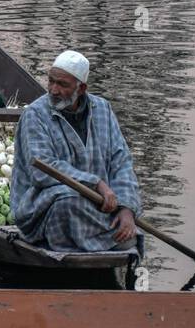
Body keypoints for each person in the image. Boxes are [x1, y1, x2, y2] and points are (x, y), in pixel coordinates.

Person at [11, 50, 142, 254]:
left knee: (119, 212)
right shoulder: (34, 115)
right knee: (67, 202)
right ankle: (109, 238)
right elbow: (43, 169)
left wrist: (127, 208)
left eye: (62, 84)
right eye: (51, 81)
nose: (53, 90)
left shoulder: (103, 109)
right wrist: (97, 183)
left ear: (81, 88)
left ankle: (111, 231)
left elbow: (121, 161)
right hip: (46, 205)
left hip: (96, 205)